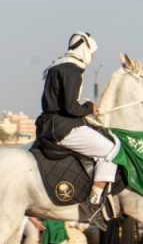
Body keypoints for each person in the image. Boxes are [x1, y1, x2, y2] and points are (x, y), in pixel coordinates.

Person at [35, 32, 120, 209]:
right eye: (91, 52)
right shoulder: (72, 69)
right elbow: (70, 107)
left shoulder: (57, 66)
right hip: (62, 127)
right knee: (111, 149)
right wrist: (89, 107)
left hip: (48, 124)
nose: (91, 56)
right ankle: (95, 201)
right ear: (84, 49)